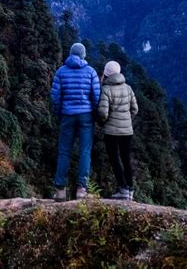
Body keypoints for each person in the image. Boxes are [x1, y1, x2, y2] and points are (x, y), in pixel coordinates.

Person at [51, 42, 101, 200]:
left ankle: (60, 191)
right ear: (83, 55)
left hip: (67, 115)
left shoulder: (61, 72)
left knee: (64, 152)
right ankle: (81, 190)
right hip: (86, 115)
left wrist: (59, 112)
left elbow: (56, 96)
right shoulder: (90, 72)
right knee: (85, 151)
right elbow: (96, 96)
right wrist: (93, 113)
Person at [98, 60, 138, 201]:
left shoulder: (106, 89)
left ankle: (123, 189)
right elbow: (135, 109)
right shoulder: (128, 88)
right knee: (126, 159)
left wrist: (103, 123)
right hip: (127, 131)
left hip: (111, 132)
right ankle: (131, 190)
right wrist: (127, 120)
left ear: (107, 73)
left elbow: (103, 113)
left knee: (115, 159)